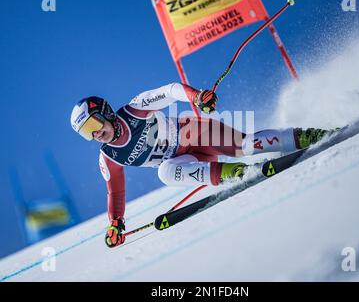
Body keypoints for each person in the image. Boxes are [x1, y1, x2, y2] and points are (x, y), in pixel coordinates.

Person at [70, 83, 329, 248]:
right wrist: (116, 223)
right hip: (191, 160)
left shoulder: (135, 109)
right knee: (165, 172)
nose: (95, 134)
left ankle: (307, 135)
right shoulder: (109, 157)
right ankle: (238, 173)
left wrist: (197, 98)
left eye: (94, 125)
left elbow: (171, 91)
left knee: (246, 146)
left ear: (106, 112)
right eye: (86, 133)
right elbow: (115, 192)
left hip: (196, 134)